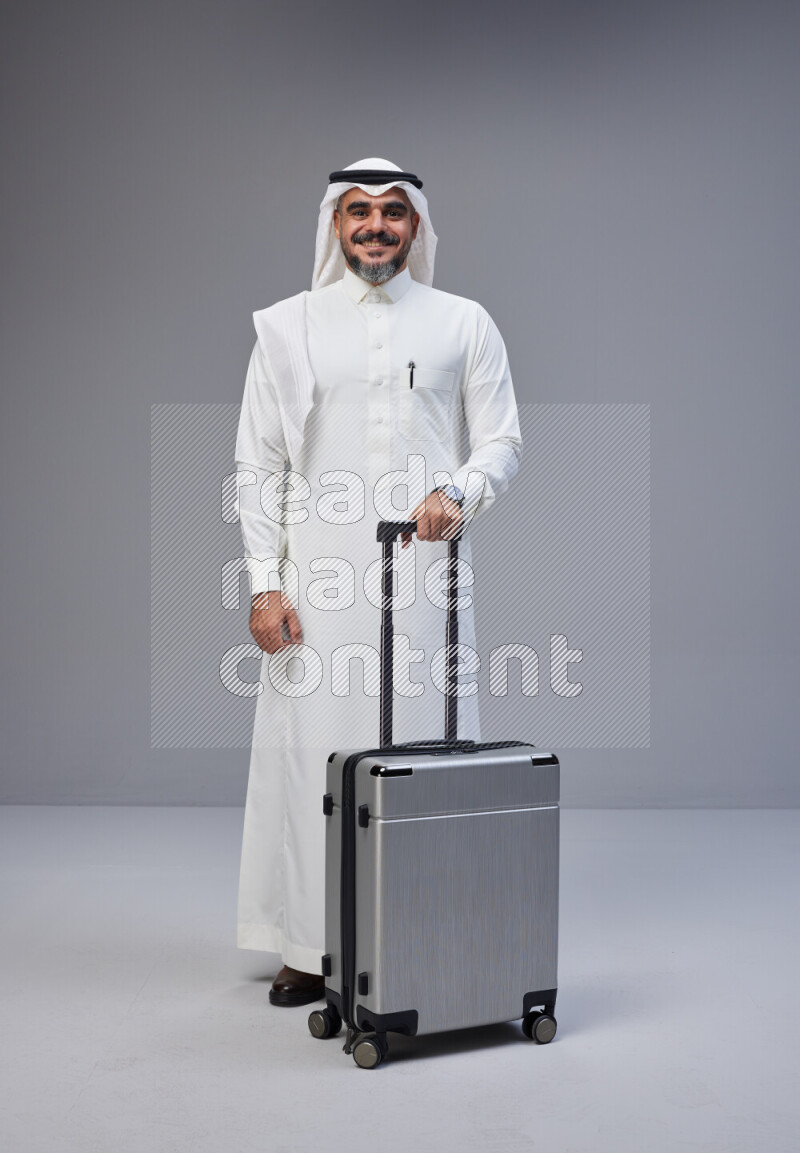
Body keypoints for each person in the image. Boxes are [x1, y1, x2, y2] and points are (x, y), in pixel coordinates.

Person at [234, 158, 523, 1006]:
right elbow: (258, 463)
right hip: (314, 584)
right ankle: (306, 942)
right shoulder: (288, 327)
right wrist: (263, 582)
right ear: (333, 224)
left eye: (393, 212)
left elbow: (502, 441)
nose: (375, 226)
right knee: (308, 759)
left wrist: (458, 490)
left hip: (427, 581)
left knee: (429, 755)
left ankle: (424, 927)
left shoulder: (463, 322)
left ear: (417, 226)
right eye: (358, 211)